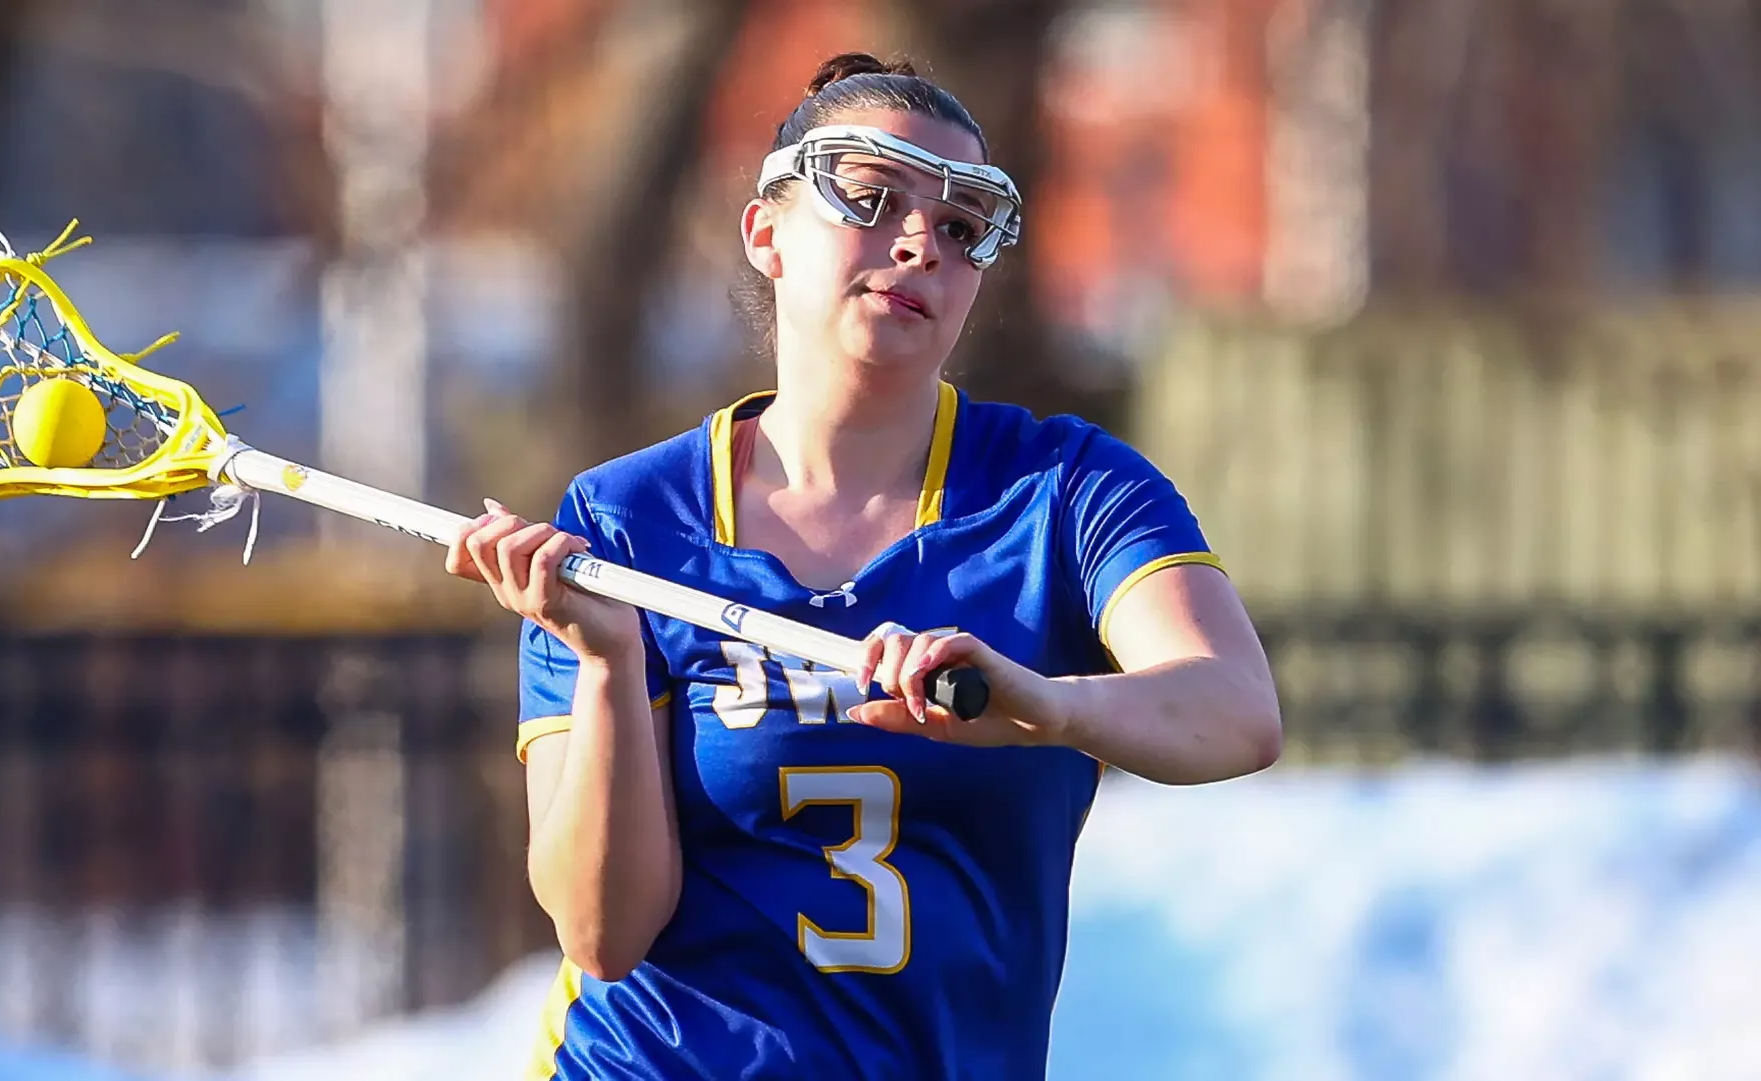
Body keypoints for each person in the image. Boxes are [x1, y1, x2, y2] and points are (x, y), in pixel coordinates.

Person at [446, 51, 1282, 1081]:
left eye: (963, 226)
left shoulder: (1065, 491)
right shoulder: (625, 520)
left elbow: (1238, 710)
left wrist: (1045, 707)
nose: (922, 241)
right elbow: (602, 934)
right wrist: (614, 662)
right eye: (875, 197)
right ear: (767, 234)